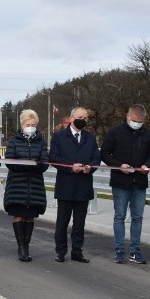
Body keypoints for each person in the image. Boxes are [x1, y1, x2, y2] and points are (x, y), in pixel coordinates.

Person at [100, 104, 150, 264]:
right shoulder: (115, 132)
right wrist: (119, 165)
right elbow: (104, 153)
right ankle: (119, 250)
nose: (137, 123)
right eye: (134, 120)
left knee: (137, 217)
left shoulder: (148, 135)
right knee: (119, 216)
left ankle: (135, 251)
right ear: (127, 116)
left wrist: (148, 165)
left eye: (140, 121)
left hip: (140, 182)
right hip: (120, 182)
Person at [49, 106, 101, 263]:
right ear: (71, 118)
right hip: (66, 185)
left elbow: (96, 158)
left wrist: (89, 168)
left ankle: (77, 251)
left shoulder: (90, 138)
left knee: (79, 223)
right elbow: (54, 158)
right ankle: (60, 251)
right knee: (62, 222)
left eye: (86, 118)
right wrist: (72, 166)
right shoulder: (59, 136)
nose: (83, 120)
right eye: (80, 117)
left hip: (84, 185)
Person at [3, 109, 50, 262]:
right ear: (22, 125)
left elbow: (45, 162)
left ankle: (26, 246)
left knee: (30, 216)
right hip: (17, 184)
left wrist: (37, 166)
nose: (30, 126)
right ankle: (20, 247)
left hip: (34, 184)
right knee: (19, 214)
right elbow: (10, 161)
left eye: (33, 124)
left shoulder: (41, 141)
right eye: (28, 124)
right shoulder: (14, 141)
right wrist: (26, 165)